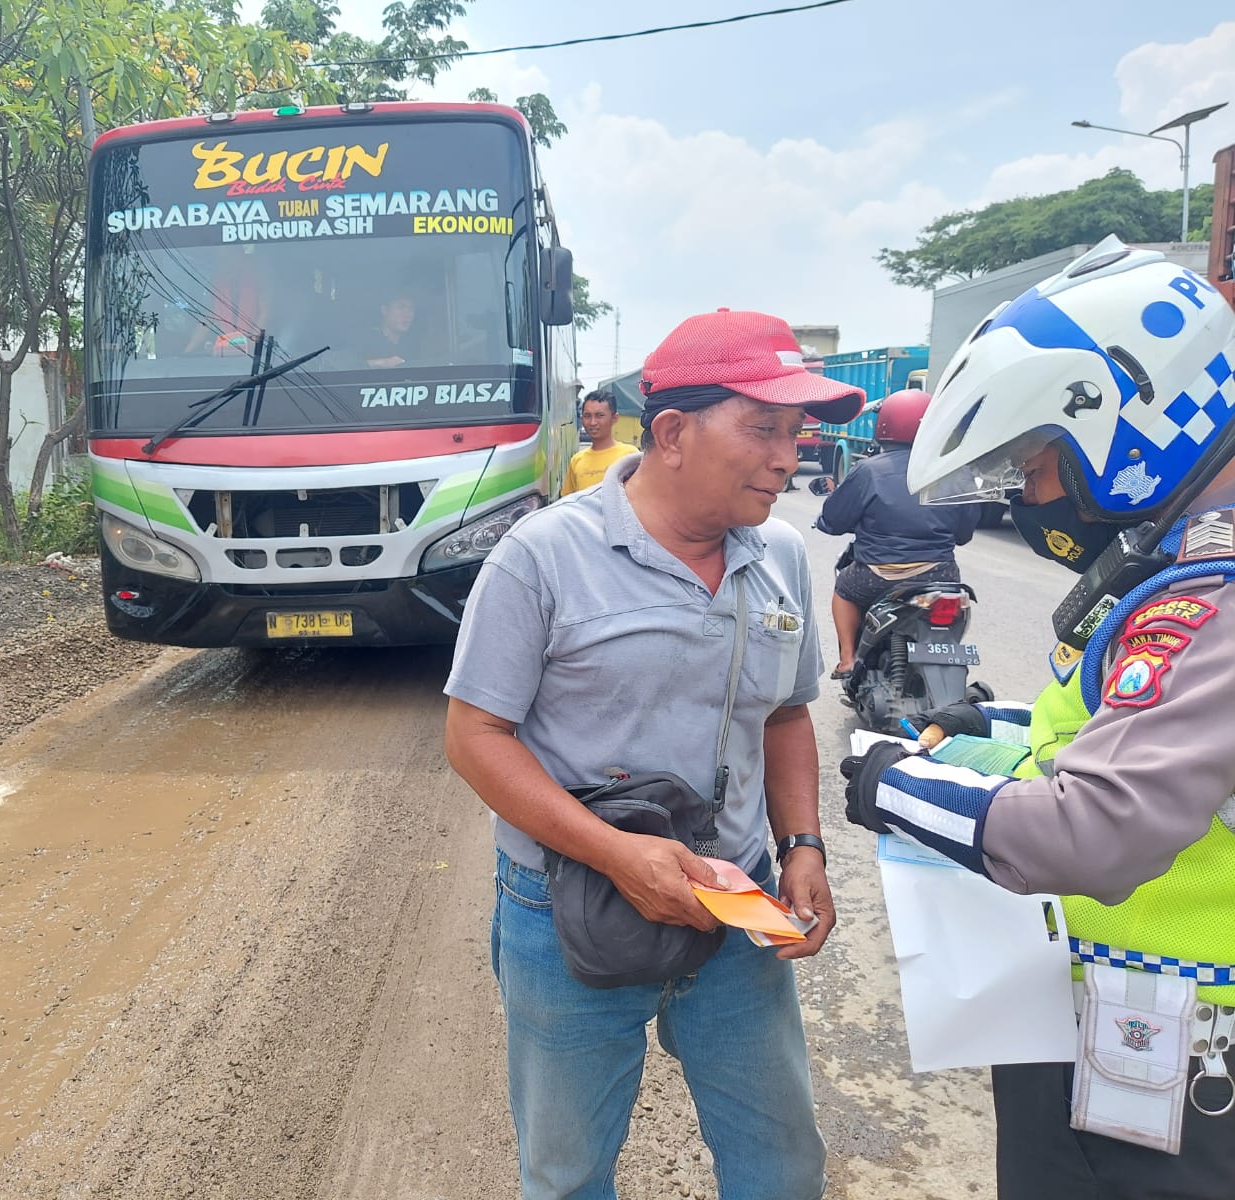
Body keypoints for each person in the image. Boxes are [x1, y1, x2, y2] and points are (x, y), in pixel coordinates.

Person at [839, 238, 1235, 1199]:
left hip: (1180, 1045)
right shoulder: (1175, 565)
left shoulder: (1211, 596)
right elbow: (1142, 728)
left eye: (1036, 460)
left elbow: (1091, 830)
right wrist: (1004, 729)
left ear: (1125, 429)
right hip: (1132, 1018)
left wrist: (897, 787)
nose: (1028, 493)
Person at [444, 308, 863, 1200]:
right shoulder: (545, 558)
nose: (789, 458)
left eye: (795, 434)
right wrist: (616, 855)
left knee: (782, 1163)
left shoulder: (780, 554)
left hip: (735, 897)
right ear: (671, 433)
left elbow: (786, 715)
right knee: (566, 1173)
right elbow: (474, 737)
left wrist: (803, 847)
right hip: (569, 902)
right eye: (763, 429)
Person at [814, 390, 978, 678]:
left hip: (877, 576)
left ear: (884, 426)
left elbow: (833, 521)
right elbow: (963, 534)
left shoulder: (868, 471)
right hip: (941, 575)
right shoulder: (955, 472)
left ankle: (848, 660)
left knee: (844, 591)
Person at [562, 389, 637, 496]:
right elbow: (568, 502)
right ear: (582, 419)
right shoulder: (577, 461)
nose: (593, 422)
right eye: (587, 416)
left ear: (614, 418)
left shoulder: (630, 455)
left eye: (600, 415)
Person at [363, 289, 418, 368]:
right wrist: (382, 362)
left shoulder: (413, 346)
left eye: (411, 309)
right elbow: (346, 367)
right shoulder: (365, 340)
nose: (407, 314)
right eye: (401, 307)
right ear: (384, 310)